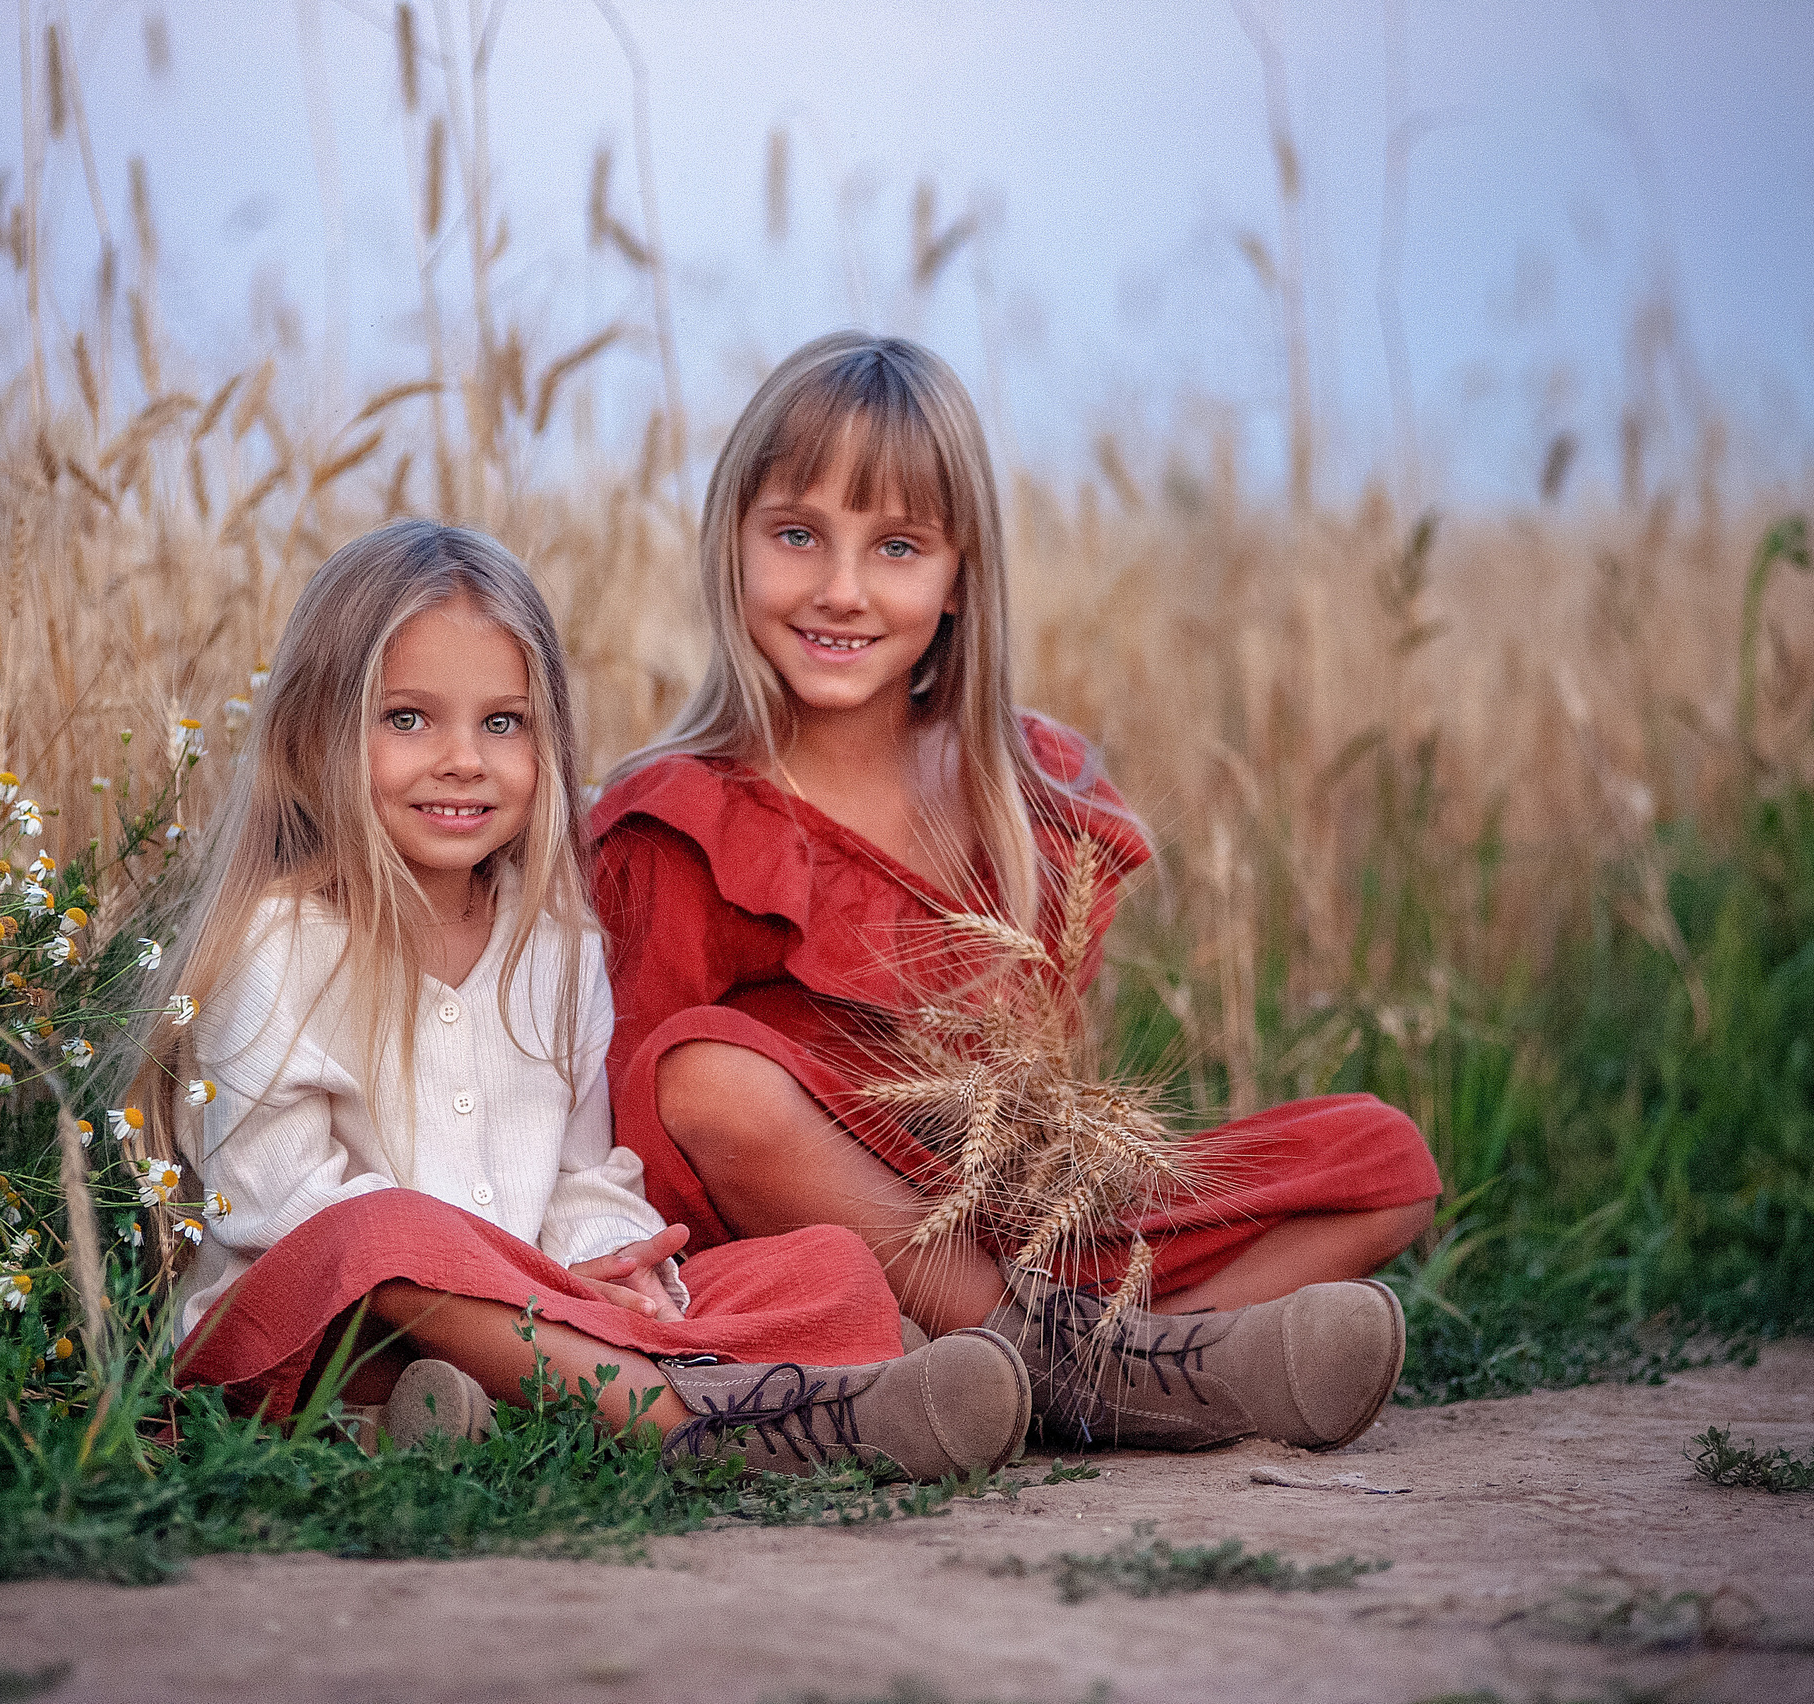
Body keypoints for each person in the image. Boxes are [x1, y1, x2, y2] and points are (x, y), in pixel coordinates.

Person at [590, 333, 1443, 1452]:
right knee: (707, 1080)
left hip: (1017, 1228)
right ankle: (1099, 1370)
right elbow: (643, 1125)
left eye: (896, 546)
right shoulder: (677, 815)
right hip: (810, 1233)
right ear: (731, 547)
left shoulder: (1027, 795)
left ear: (958, 579)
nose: (841, 590)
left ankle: (1058, 1362)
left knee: (1382, 1162)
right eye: (797, 536)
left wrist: (1052, 1205)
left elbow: (1039, 1084)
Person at [132, 518, 1032, 1479]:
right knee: (382, 1231)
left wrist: (620, 1265)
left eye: (502, 722)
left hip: (546, 1323)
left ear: (546, 740)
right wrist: (527, 1290)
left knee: (822, 1264)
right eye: (407, 719)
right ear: (315, 736)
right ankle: (727, 1429)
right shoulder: (279, 944)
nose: (463, 759)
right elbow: (277, 1208)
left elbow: (579, 1173)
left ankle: (460, 1419)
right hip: (320, 1340)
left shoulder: (554, 946)